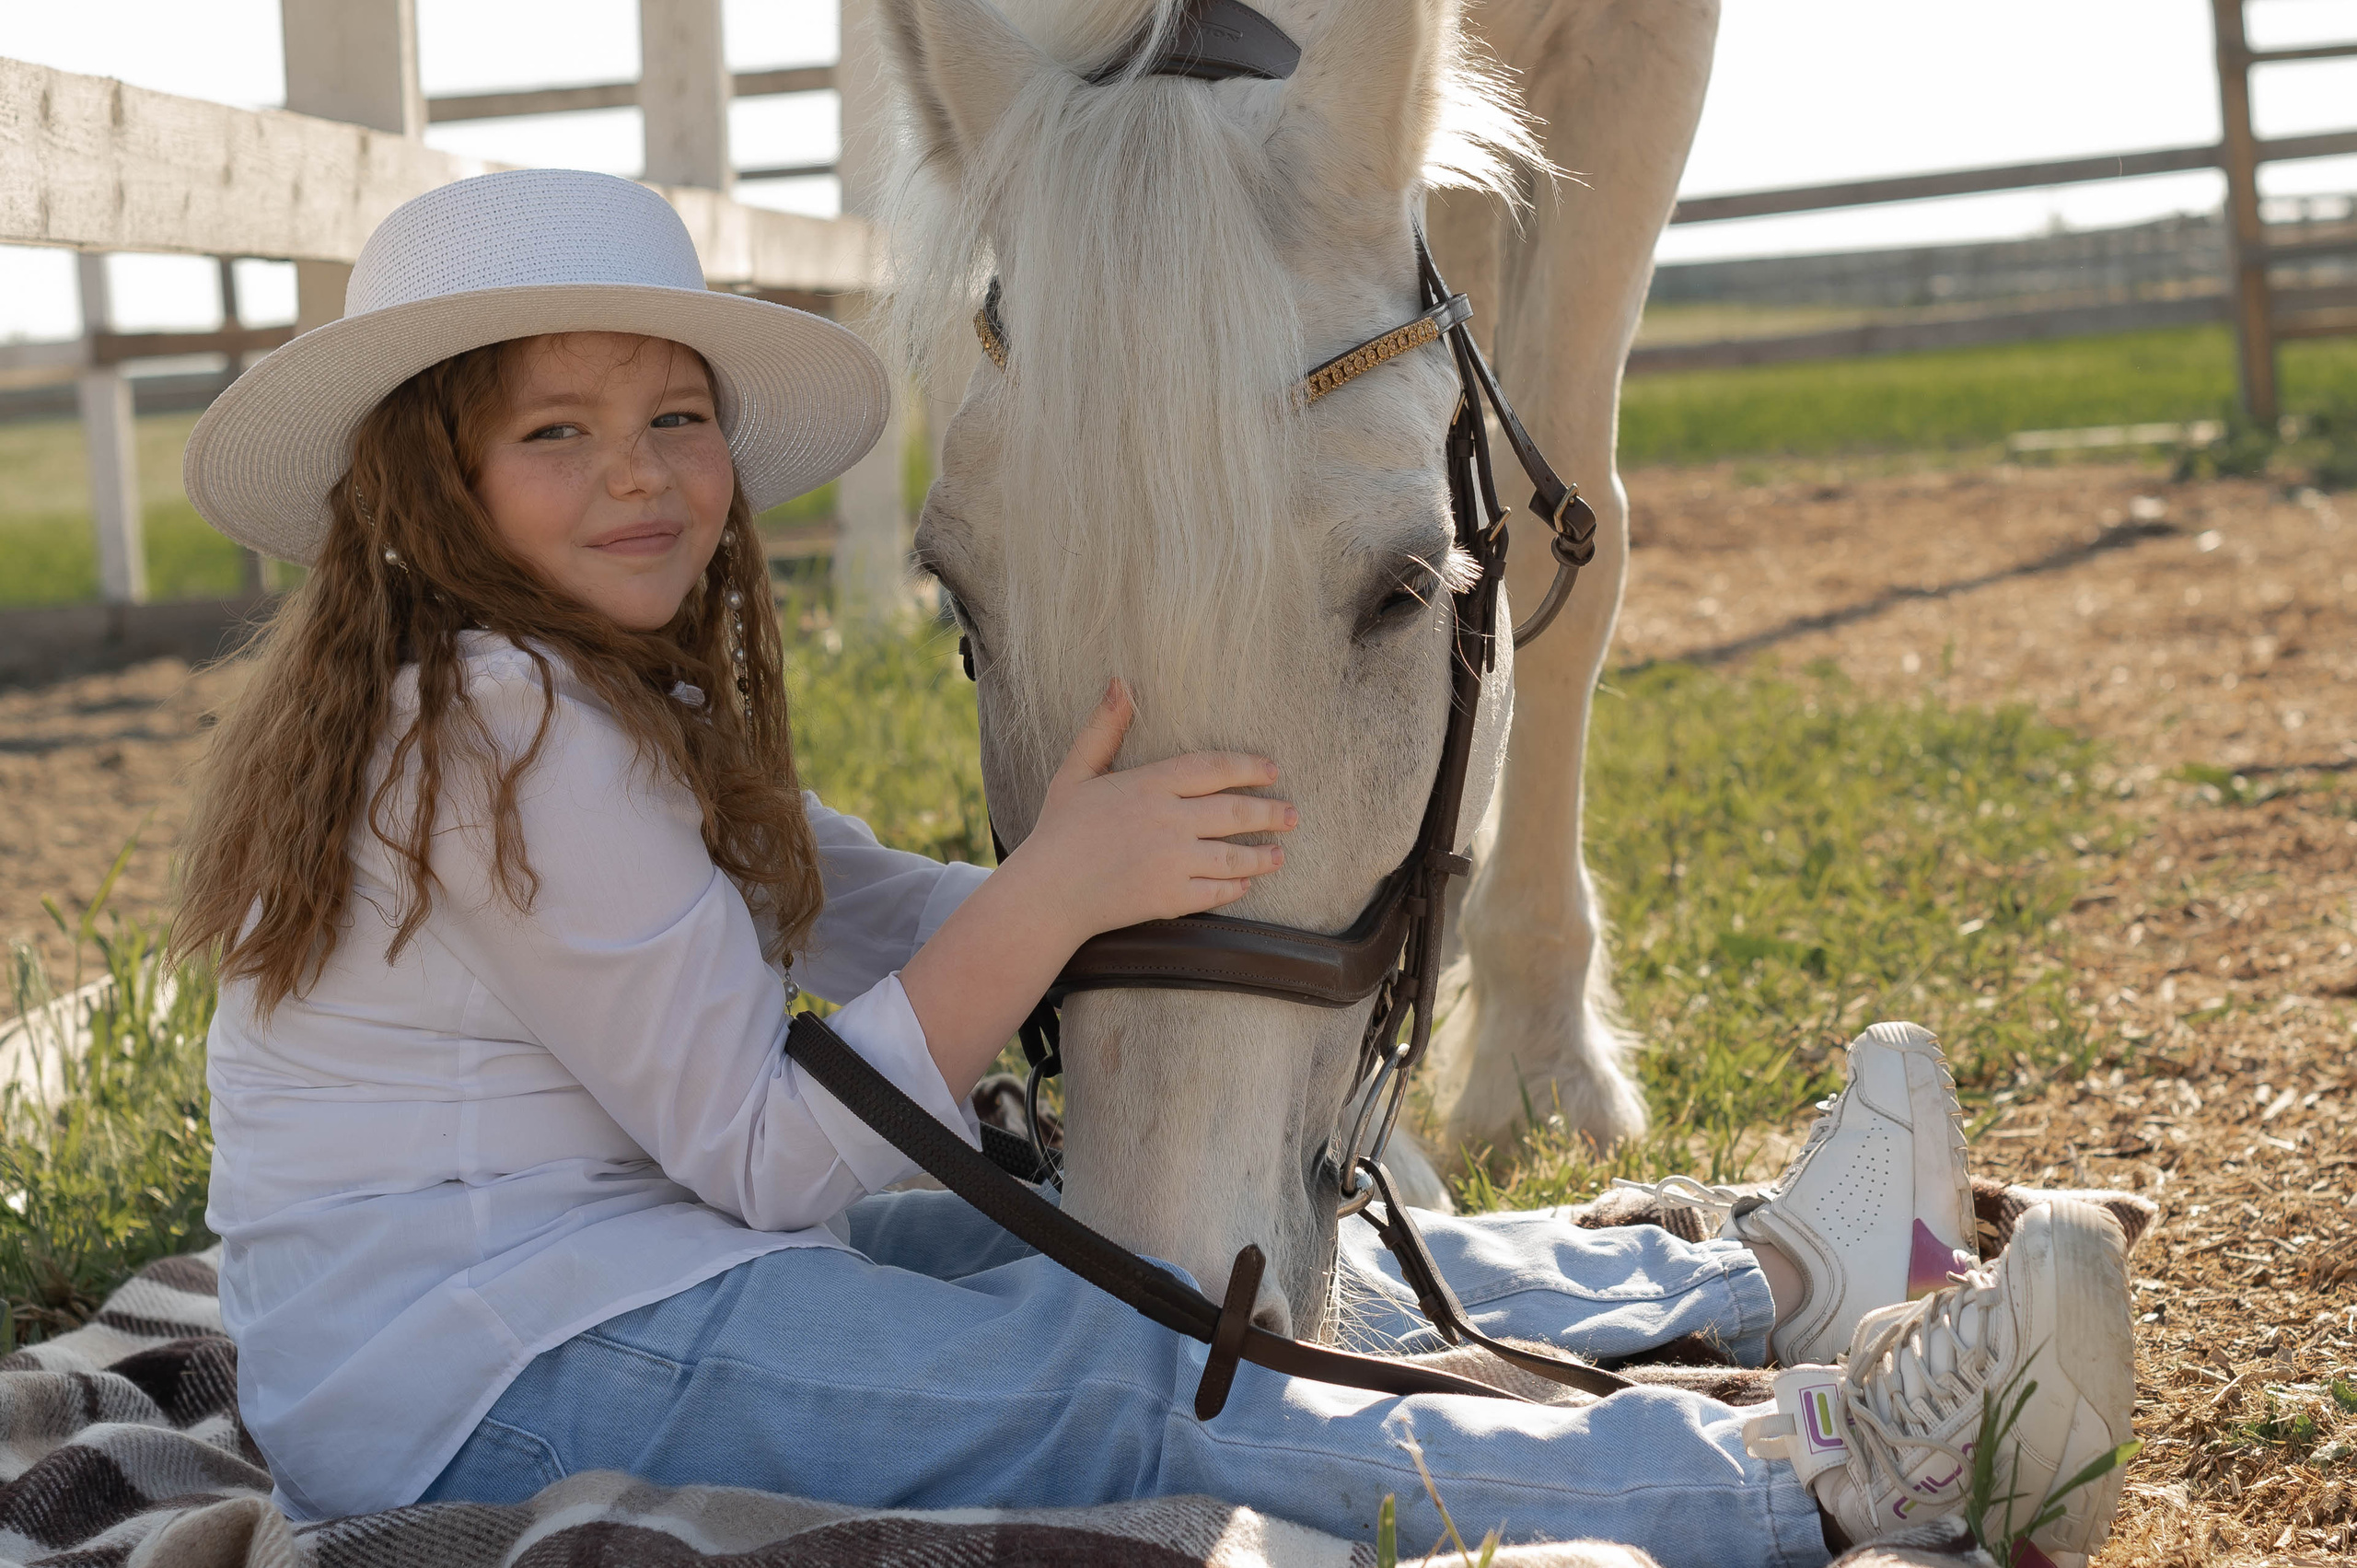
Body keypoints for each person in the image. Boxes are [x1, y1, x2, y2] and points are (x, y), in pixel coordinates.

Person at [175, 169, 2136, 1568]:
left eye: (674, 415)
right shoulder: (505, 724)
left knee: (1144, 1260)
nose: (639, 469)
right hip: (485, 1375)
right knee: (1125, 1382)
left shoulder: (564, 696)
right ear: (432, 486)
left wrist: (1130, 898)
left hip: (605, 1282)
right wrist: (1058, 889)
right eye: (558, 430)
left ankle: (1757, 1276)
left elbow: (849, 903)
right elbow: (767, 1153)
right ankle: (1832, 1471)